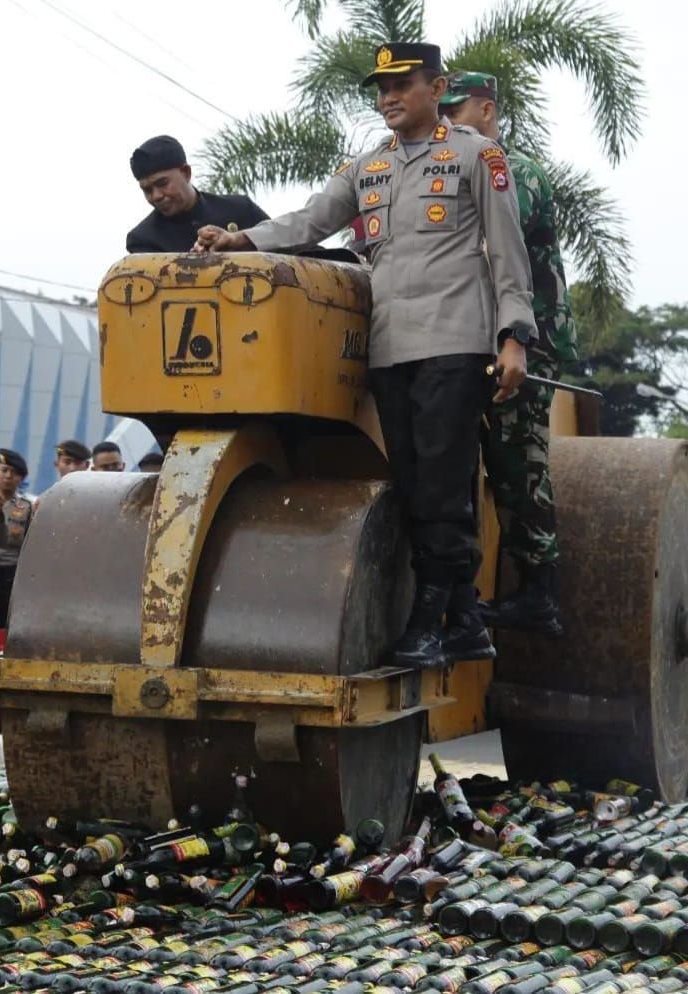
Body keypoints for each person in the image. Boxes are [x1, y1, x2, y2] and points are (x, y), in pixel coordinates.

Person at [194, 41, 536, 669]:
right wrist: (240, 237)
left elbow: (508, 252)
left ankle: (430, 619)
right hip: (391, 348)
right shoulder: (367, 168)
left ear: (437, 89)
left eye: (402, 84)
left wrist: (514, 336)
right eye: (381, 88)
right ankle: (464, 621)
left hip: (456, 344)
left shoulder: (477, 156)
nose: (388, 97)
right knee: (410, 483)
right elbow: (309, 220)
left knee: (439, 484)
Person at [438, 71, 578, 637]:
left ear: (487, 110)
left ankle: (539, 593)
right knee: (476, 461)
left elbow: (493, 244)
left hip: (527, 338)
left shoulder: (513, 170)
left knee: (519, 462)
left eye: (456, 109)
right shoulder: (460, 168)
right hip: (476, 336)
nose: (446, 120)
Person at [126, 135, 270, 253]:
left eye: (162, 184)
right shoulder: (143, 239)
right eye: (147, 190)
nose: (156, 196)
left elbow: (285, 251)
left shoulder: (241, 209)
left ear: (186, 173)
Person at [0, 448, 33, 632]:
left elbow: (28, 543)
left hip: (12, 571)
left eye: (14, 473)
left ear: (21, 478)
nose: (8, 476)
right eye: (4, 470)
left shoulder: (25, 506)